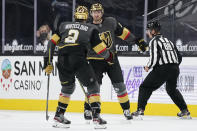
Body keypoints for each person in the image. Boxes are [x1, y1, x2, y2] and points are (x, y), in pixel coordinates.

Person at [43, 6, 114, 128]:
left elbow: (51, 43)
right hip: (78, 59)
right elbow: (100, 49)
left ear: (75, 16)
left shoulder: (63, 26)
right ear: (86, 17)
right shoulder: (91, 28)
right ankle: (96, 118)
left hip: (62, 60)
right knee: (93, 86)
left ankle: (59, 115)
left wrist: (47, 61)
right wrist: (109, 57)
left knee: (67, 87)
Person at [83, 3, 148, 121]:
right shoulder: (87, 26)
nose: (96, 14)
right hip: (94, 60)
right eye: (94, 12)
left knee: (120, 86)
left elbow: (124, 33)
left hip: (112, 59)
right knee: (93, 87)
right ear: (91, 13)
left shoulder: (110, 22)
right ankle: (88, 109)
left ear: (102, 12)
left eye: (98, 12)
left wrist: (137, 41)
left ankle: (126, 110)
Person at [131, 21, 192, 119]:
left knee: (145, 87)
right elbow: (179, 57)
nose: (147, 32)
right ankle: (184, 111)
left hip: (163, 69)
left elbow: (154, 58)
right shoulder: (168, 40)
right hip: (175, 68)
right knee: (171, 90)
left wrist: (148, 66)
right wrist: (173, 66)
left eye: (148, 30)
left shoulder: (154, 41)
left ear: (153, 31)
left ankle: (140, 110)